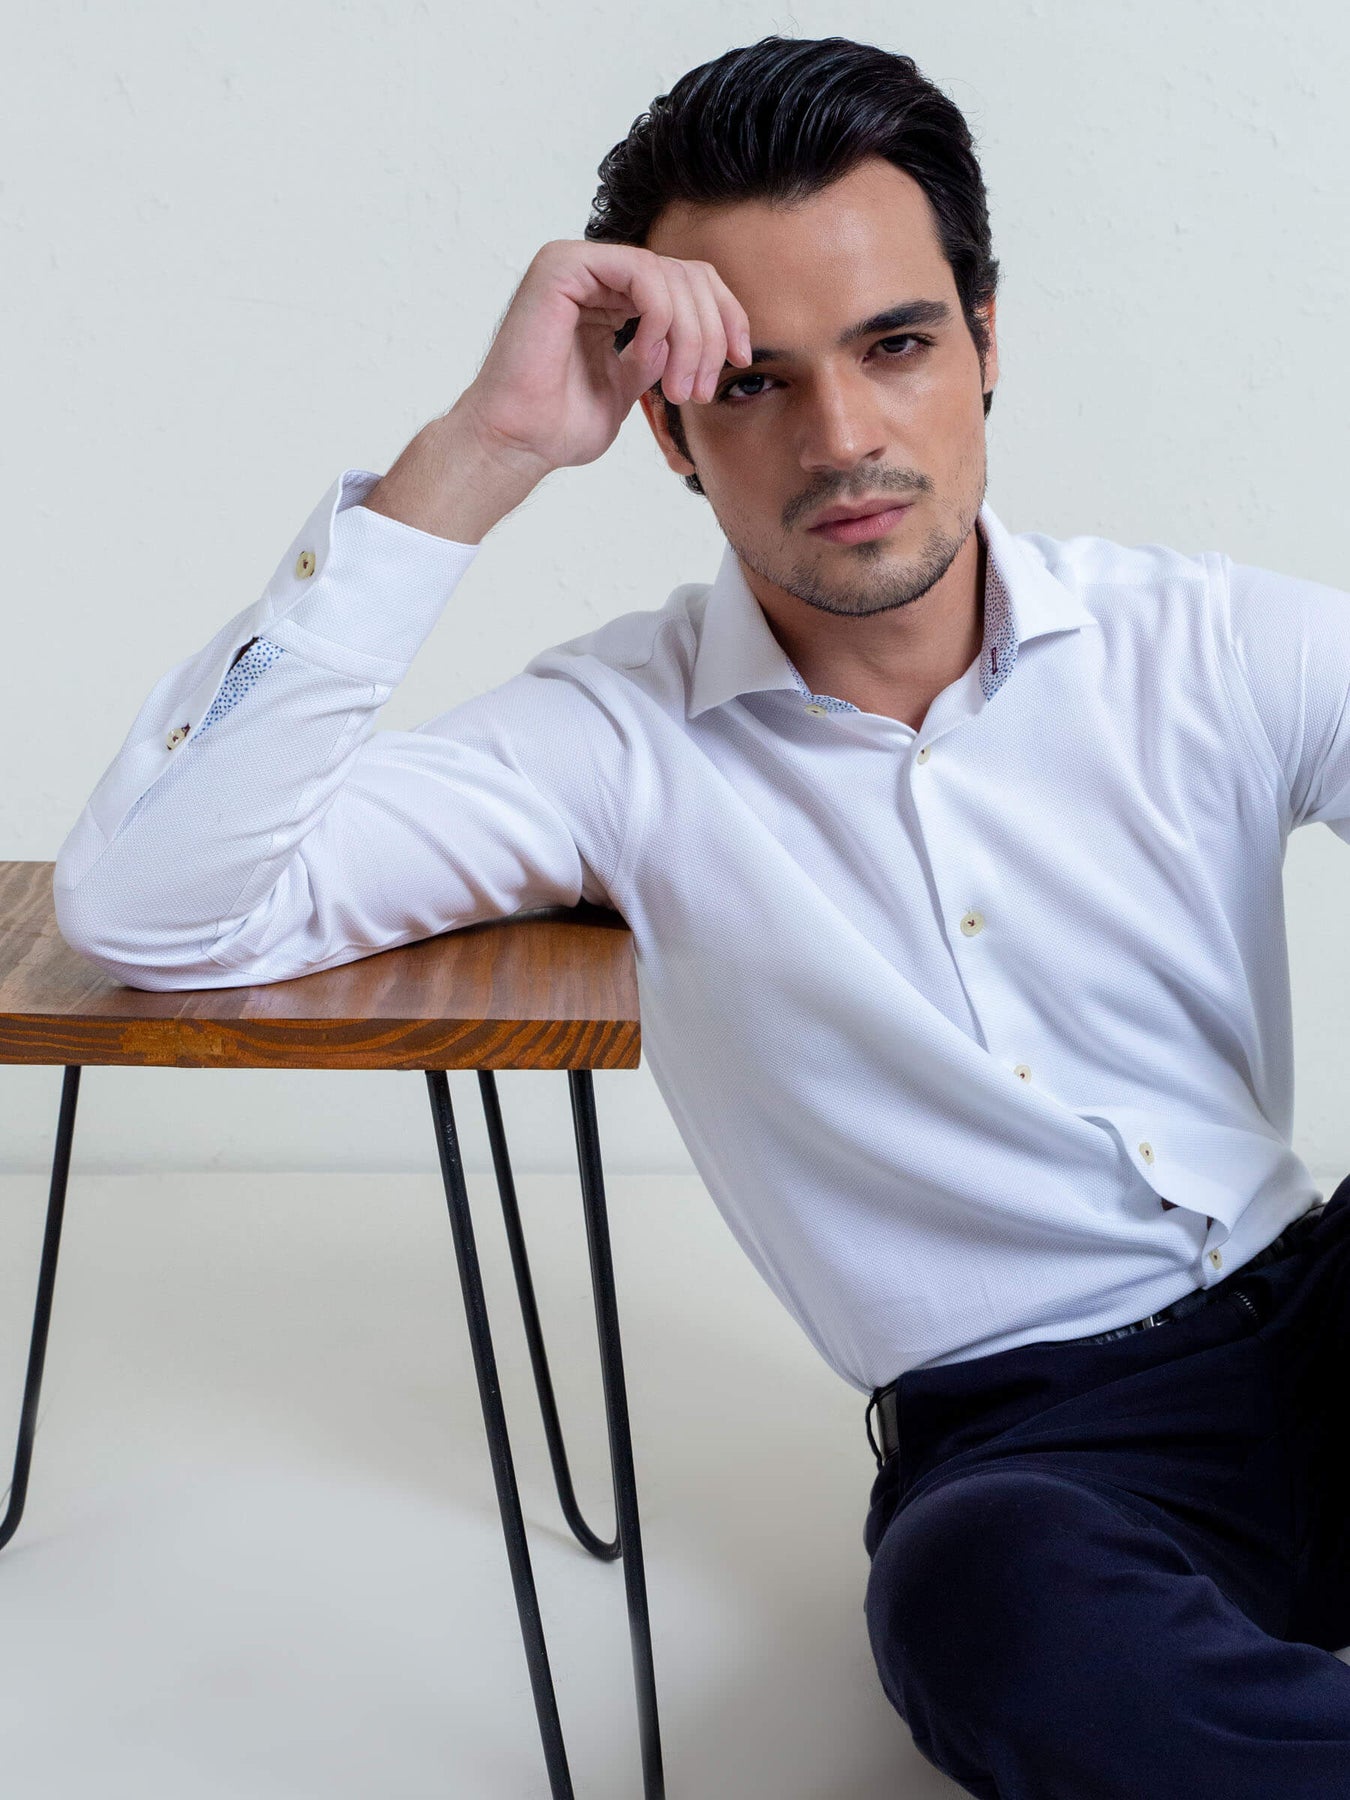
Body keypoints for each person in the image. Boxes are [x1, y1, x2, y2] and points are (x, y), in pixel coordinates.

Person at [51, 31, 1350, 1796]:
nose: (842, 437)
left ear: (985, 343)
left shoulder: (1206, 642)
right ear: (664, 426)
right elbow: (152, 905)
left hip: (1318, 1294)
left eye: (896, 345)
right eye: (751, 383)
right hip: (1046, 1451)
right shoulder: (609, 744)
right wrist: (484, 447)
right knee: (989, 1614)